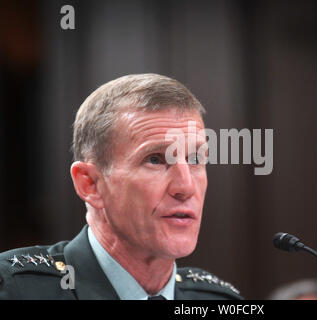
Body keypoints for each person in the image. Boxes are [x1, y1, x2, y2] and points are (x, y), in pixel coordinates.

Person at [0, 74, 242, 300]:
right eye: (155, 159)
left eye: (196, 159)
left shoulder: (217, 298)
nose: (186, 187)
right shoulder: (16, 289)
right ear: (90, 184)